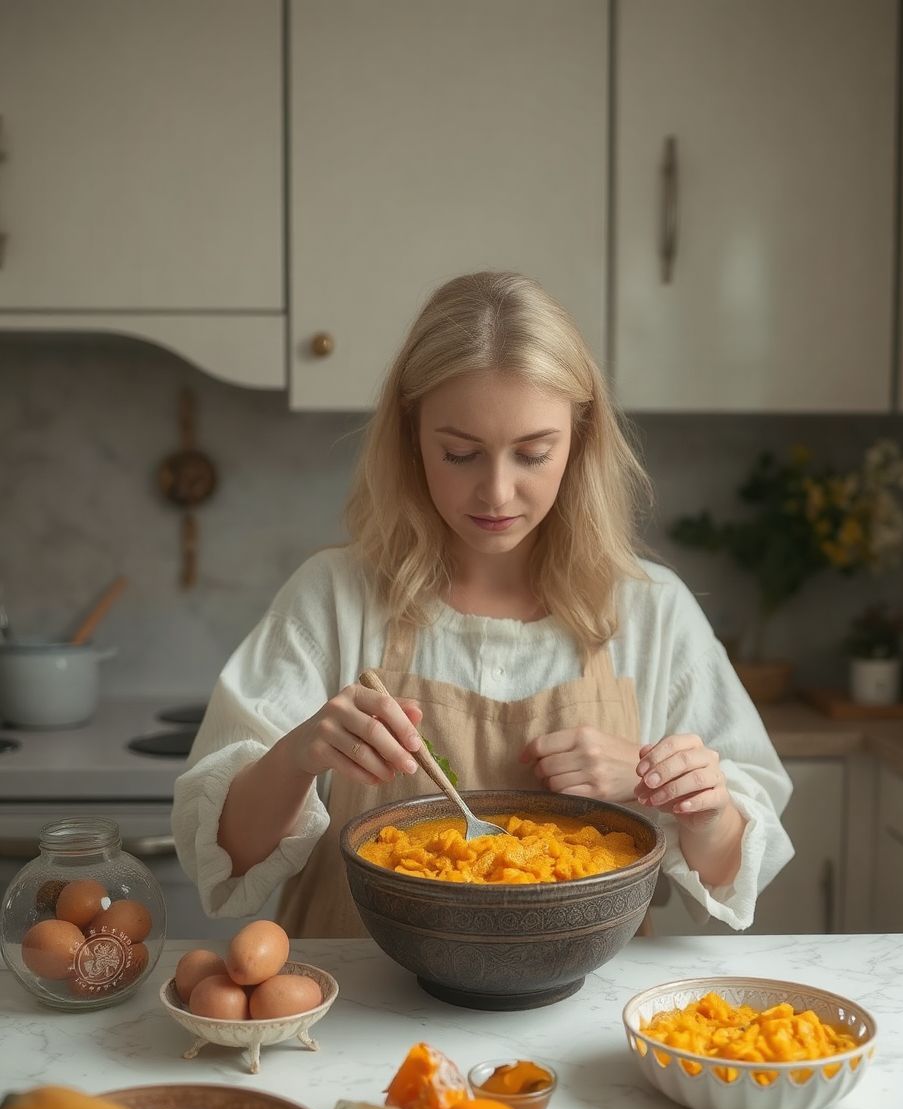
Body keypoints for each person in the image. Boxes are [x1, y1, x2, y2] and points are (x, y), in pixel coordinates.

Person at [172, 271, 794, 937]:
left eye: (532, 454)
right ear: (412, 438)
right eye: (460, 453)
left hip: (575, 1023)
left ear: (579, 442)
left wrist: (684, 799)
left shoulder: (653, 612)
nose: (496, 493)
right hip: (359, 1012)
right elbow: (227, 857)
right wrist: (300, 754)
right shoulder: (333, 597)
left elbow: (732, 872)